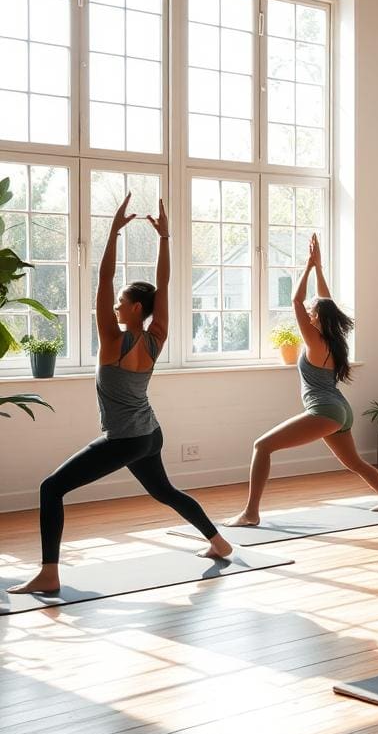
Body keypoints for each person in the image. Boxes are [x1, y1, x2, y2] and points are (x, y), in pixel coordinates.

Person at [8, 195, 233, 595]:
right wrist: (164, 238)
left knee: (50, 488)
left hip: (126, 439)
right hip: (149, 433)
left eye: (122, 302)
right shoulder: (155, 338)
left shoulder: (112, 339)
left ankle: (49, 572)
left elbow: (104, 279)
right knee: (164, 491)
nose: (114, 304)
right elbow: (162, 285)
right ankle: (219, 542)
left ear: (134, 309)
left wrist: (112, 233)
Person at [225, 235, 378, 526]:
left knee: (262, 447)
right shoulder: (335, 339)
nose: (307, 312)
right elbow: (326, 301)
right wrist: (319, 267)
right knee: (355, 463)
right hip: (340, 410)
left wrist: (307, 267)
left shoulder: (314, 339)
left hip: (324, 411)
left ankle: (250, 513)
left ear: (317, 317)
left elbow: (295, 300)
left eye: (312, 311)